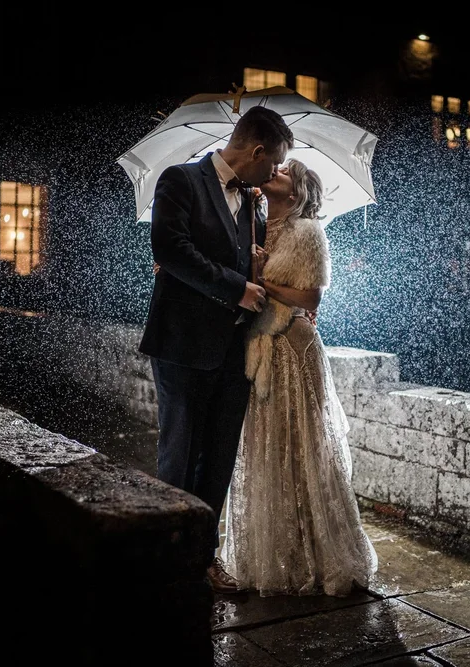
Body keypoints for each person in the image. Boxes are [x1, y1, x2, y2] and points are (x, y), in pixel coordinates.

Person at [138, 105, 294, 593]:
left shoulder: (252, 204)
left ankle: (203, 558)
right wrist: (236, 288)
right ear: (257, 151)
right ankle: (167, 558)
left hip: (234, 351)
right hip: (183, 345)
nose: (274, 174)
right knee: (178, 456)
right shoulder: (179, 180)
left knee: (220, 458)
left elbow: (246, 265)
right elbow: (169, 248)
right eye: (274, 163)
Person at [219, 159, 378, 597]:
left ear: (298, 191)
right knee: (268, 447)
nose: (276, 169)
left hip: (293, 346)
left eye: (286, 169)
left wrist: (263, 282)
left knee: (301, 445)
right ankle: (278, 555)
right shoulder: (254, 223)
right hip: (261, 346)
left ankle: (320, 555)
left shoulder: (308, 231)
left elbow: (310, 296)